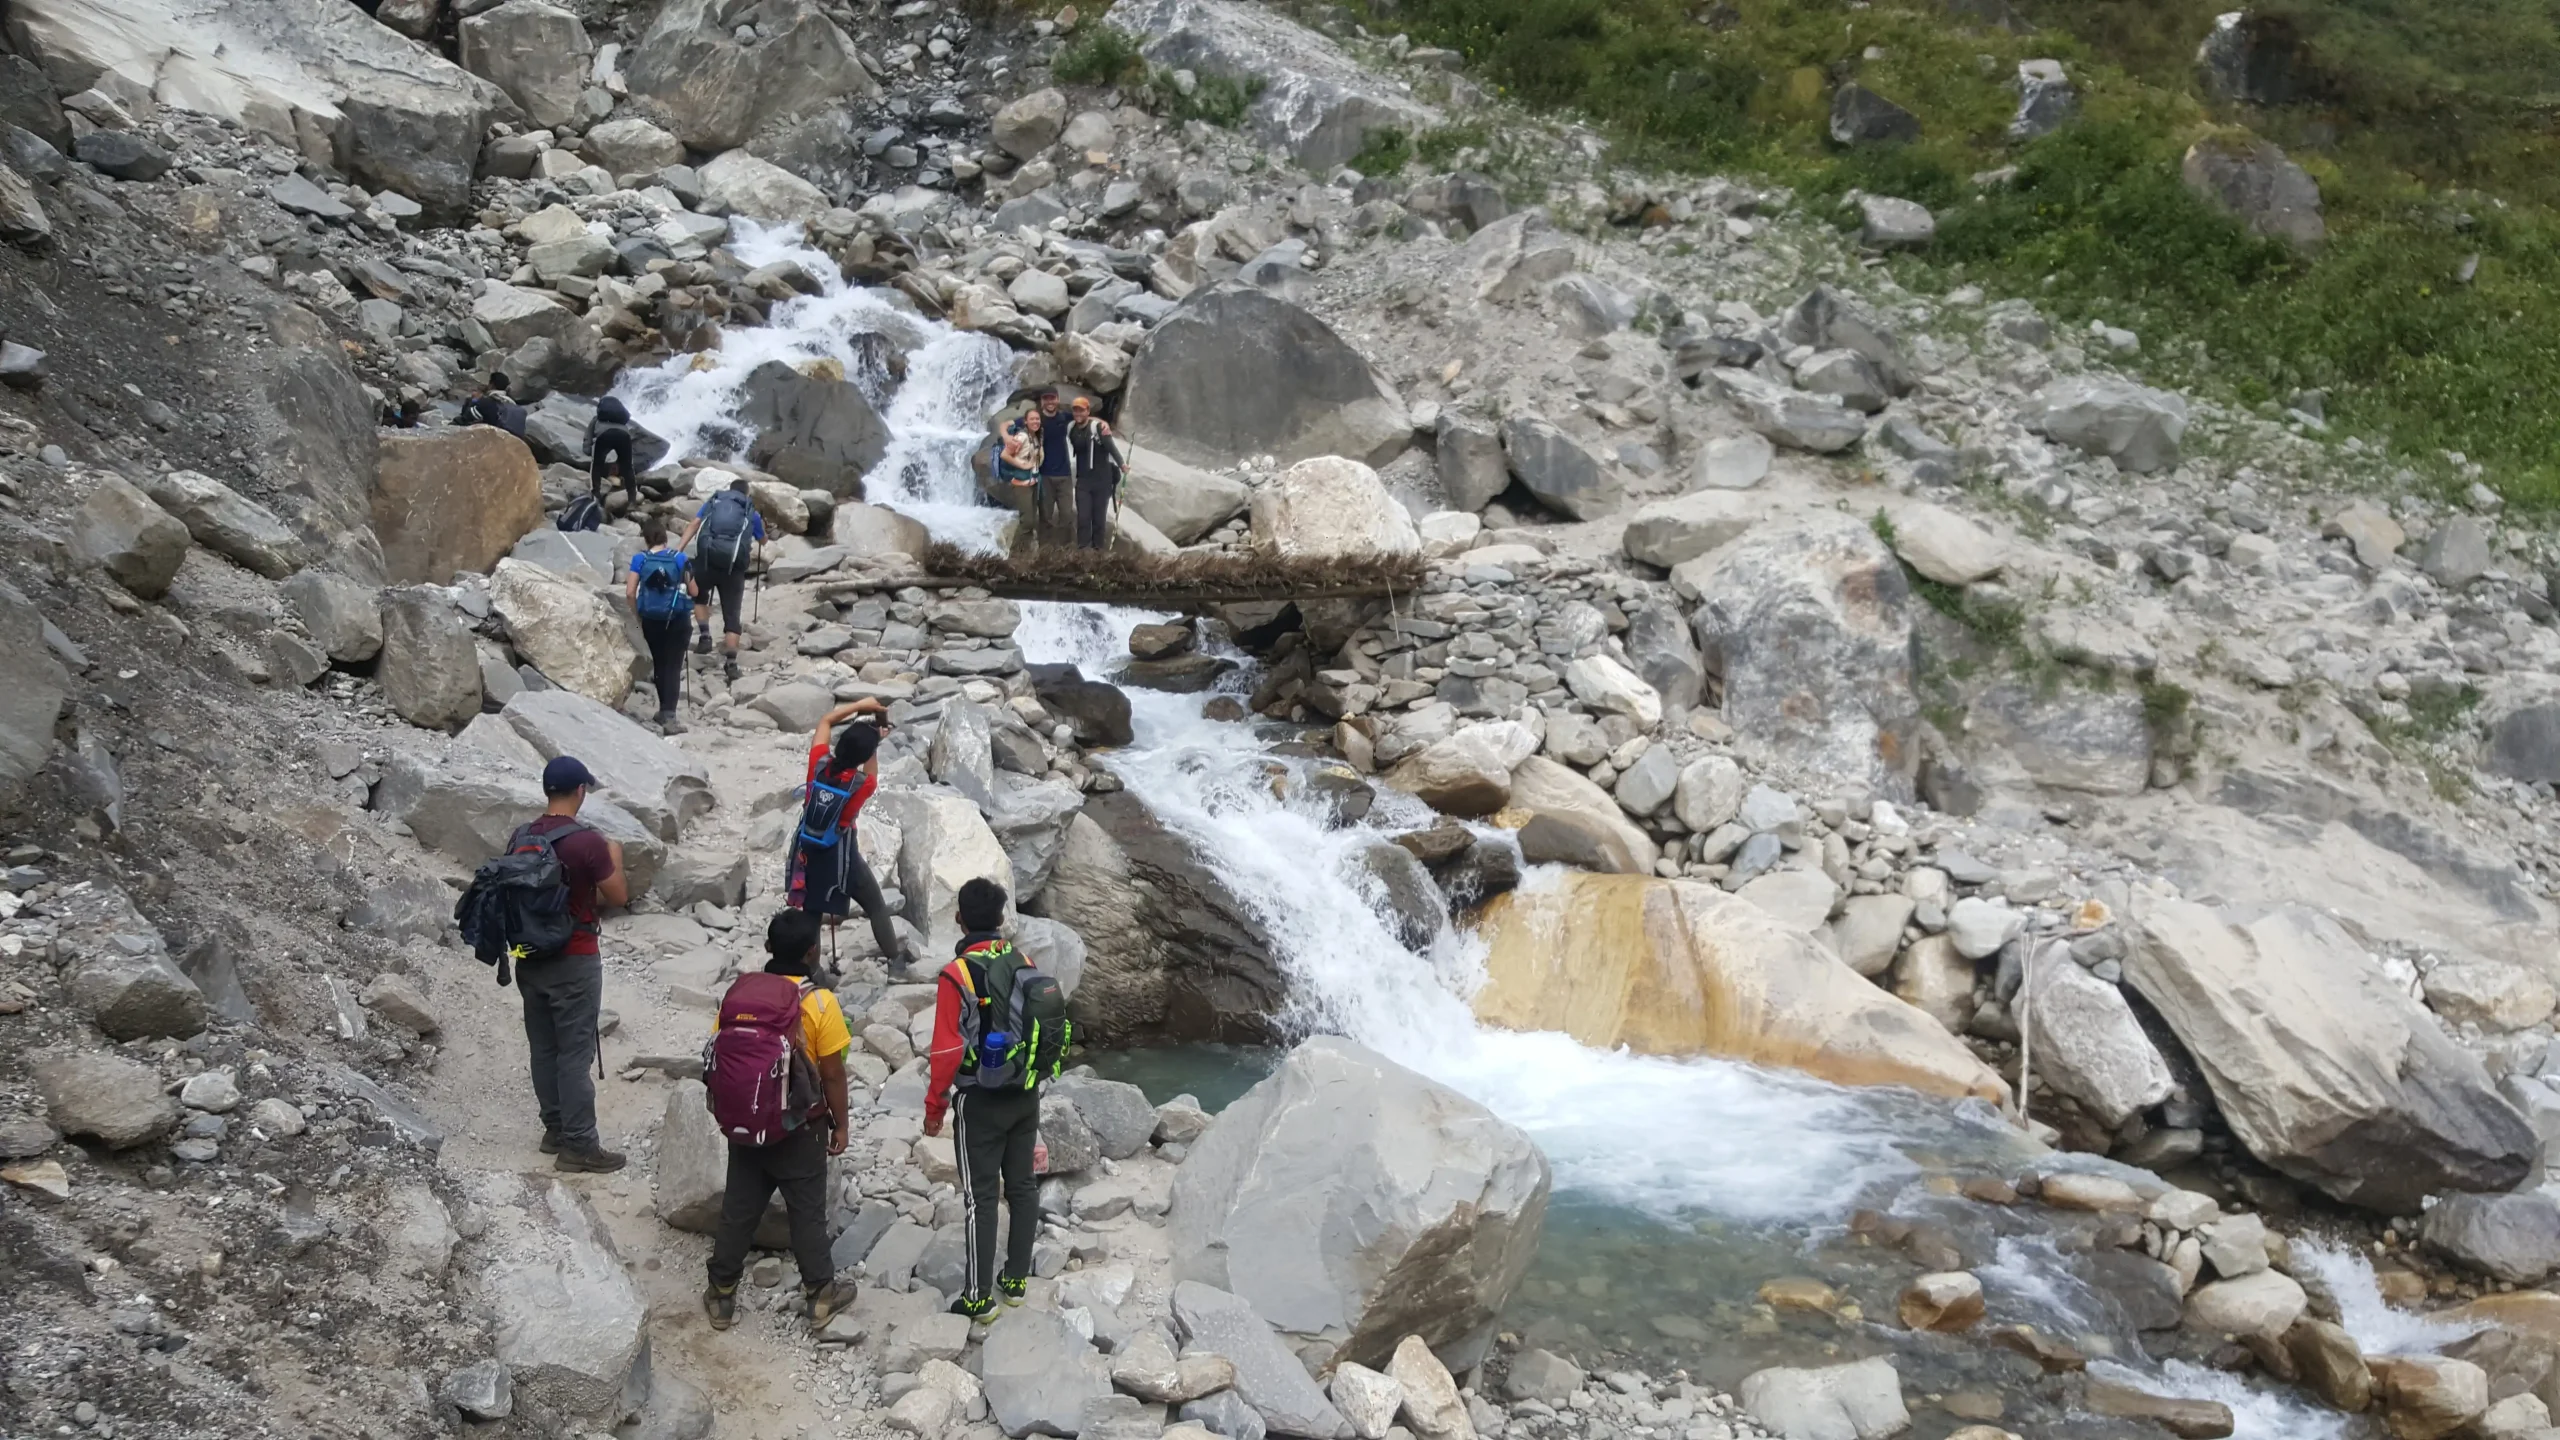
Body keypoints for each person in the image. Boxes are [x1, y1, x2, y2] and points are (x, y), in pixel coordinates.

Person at [703, 909, 858, 1333]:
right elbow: (832, 1072)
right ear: (813, 953)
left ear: (768, 948)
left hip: (747, 1120)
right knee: (806, 1212)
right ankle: (821, 1295)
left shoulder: (741, 994)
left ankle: (721, 1293)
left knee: (739, 1207)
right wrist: (840, 1125)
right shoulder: (819, 1002)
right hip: (799, 1127)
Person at [925, 878, 1042, 1322]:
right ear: (1000, 920)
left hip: (979, 1100)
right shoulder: (1023, 960)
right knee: (1024, 1187)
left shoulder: (957, 973)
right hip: (1026, 1092)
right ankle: (1014, 1280)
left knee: (981, 1198)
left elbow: (946, 1049)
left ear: (959, 917)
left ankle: (977, 1297)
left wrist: (935, 1106)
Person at [517, 757, 629, 1173]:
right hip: (575, 957)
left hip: (527, 957)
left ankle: (556, 1130)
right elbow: (617, 895)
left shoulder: (522, 835)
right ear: (581, 791)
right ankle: (580, 1145)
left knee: (543, 1047)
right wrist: (614, 856)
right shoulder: (588, 842)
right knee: (574, 1052)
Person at [789, 699, 918, 973]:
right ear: (865, 755)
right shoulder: (863, 784)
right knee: (875, 905)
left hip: (807, 850)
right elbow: (870, 767)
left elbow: (825, 720)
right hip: (841, 854)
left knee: (812, 913)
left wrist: (860, 705)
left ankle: (813, 975)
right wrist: (876, 738)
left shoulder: (819, 763)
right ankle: (895, 964)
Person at [677, 478, 765, 682]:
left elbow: (695, 524)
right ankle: (731, 663)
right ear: (747, 494)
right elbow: (763, 541)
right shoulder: (750, 511)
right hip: (733, 570)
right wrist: (761, 530)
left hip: (706, 561)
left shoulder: (715, 501)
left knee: (699, 596)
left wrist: (679, 550)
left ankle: (705, 636)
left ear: (730, 490)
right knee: (732, 614)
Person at [626, 516, 699, 734]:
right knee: (674, 666)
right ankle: (669, 715)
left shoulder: (640, 559)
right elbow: (694, 591)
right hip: (677, 619)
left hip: (651, 619)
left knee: (659, 663)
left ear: (646, 540)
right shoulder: (679, 558)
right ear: (666, 538)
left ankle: (662, 711)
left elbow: (630, 592)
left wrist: (637, 614)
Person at [1063, 397, 1124, 551]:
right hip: (1083, 481)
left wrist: (1122, 464)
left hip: (1102, 482)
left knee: (1099, 521)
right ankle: (1083, 553)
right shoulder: (1071, 427)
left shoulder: (1097, 428)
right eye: (1075, 410)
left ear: (1087, 411)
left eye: (1081, 410)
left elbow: (1111, 447)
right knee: (1083, 518)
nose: (1078, 413)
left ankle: (1098, 554)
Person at [1033, 390, 1074, 544]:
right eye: (1046, 399)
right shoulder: (1036, 419)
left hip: (1065, 476)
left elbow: (1084, 417)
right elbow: (1009, 424)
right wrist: (1006, 434)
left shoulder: (1064, 417)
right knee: (1045, 517)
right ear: (1042, 401)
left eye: (1052, 398)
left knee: (1067, 516)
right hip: (1044, 476)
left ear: (1057, 399)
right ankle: (1044, 554)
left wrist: (1102, 423)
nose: (1049, 402)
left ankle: (1066, 553)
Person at [588, 396, 639, 509]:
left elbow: (588, 437)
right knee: (628, 468)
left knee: (596, 465)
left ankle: (595, 494)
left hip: (604, 436)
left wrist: (587, 450)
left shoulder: (596, 419)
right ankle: (632, 500)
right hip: (623, 437)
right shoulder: (622, 423)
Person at [459, 373, 527, 439]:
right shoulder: (513, 404)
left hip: (494, 440)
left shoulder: (486, 402)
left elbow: (465, 418)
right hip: (515, 441)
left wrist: (473, 401)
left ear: (491, 385)